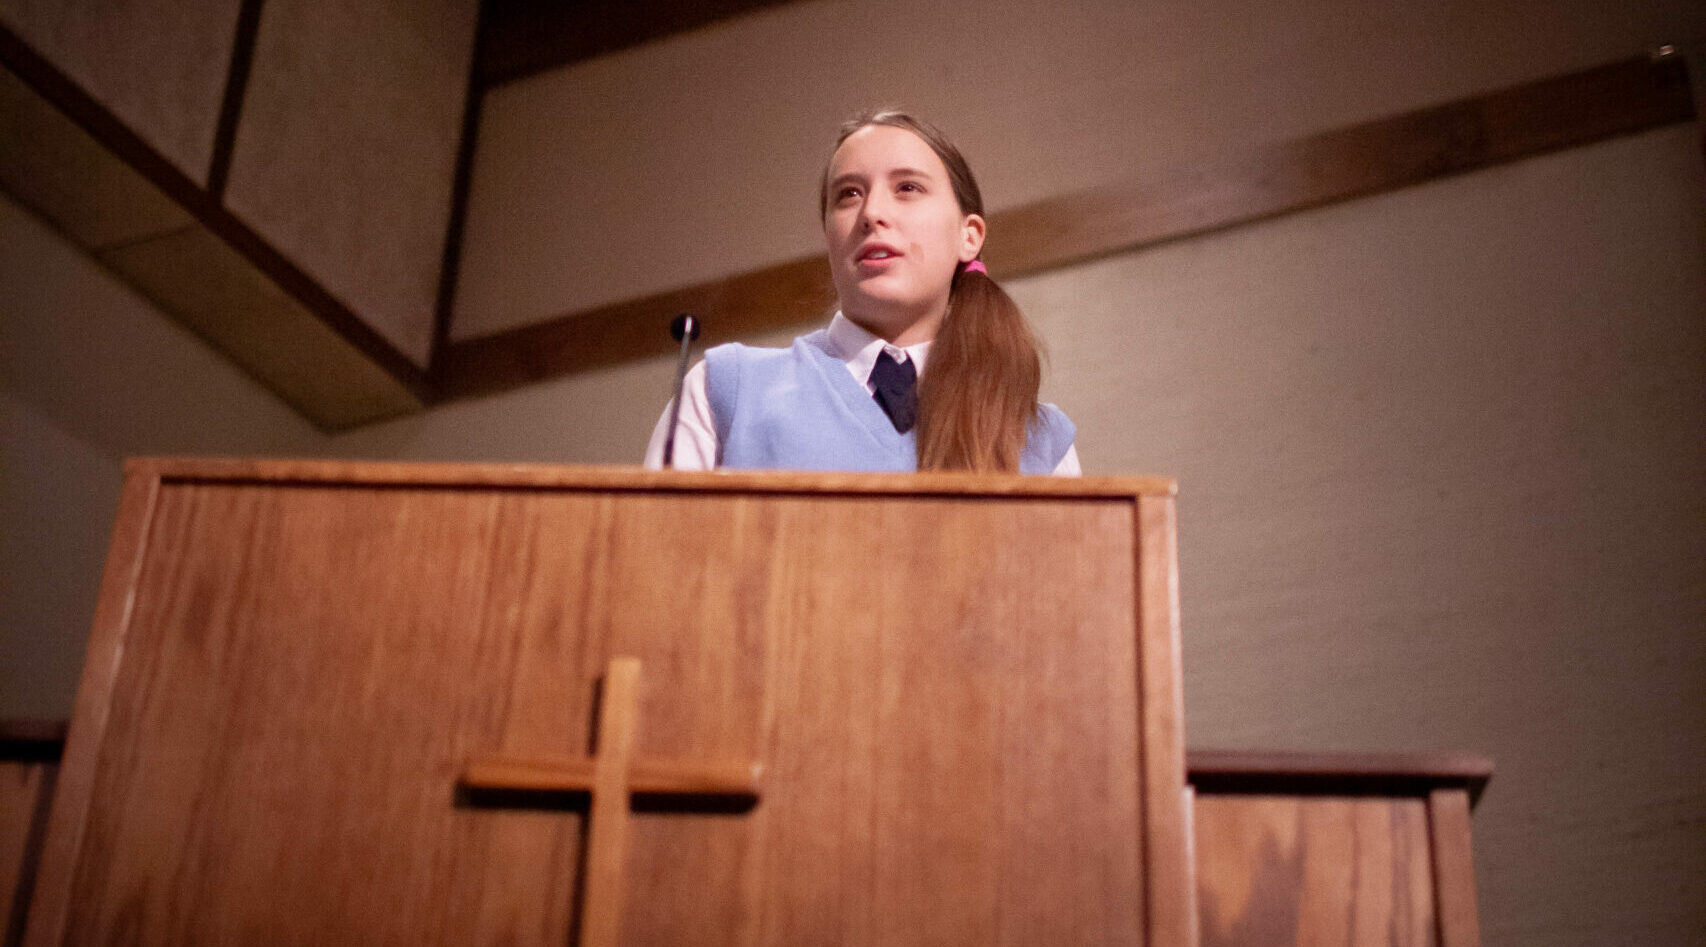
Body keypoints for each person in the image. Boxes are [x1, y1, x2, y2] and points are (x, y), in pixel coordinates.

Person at [644, 110, 1079, 475]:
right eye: (848, 194)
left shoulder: (1041, 442)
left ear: (970, 236)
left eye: (907, 187)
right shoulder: (724, 392)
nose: (872, 213)